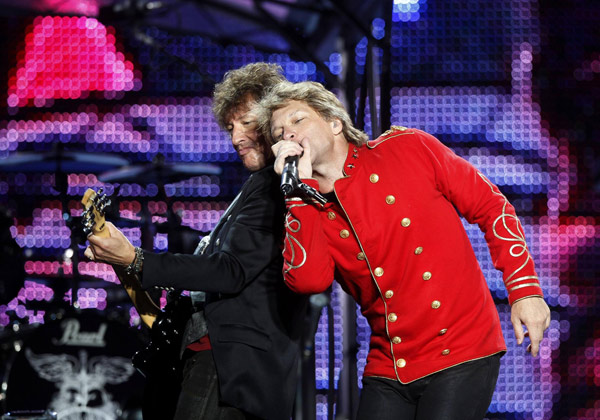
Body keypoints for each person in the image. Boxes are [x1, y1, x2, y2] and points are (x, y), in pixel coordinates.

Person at [256, 81, 551, 420]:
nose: (287, 135)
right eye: (279, 133)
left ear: (335, 123)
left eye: (297, 121)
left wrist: (525, 290)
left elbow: (491, 206)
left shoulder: (407, 148)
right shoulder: (306, 209)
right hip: (390, 362)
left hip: (460, 348)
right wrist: (297, 194)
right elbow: (308, 281)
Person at [84, 63, 308, 420]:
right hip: (224, 362)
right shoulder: (259, 187)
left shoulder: (273, 186)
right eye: (230, 127)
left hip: (231, 366)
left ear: (275, 117)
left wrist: (137, 259)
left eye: (246, 122)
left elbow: (230, 272)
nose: (236, 137)